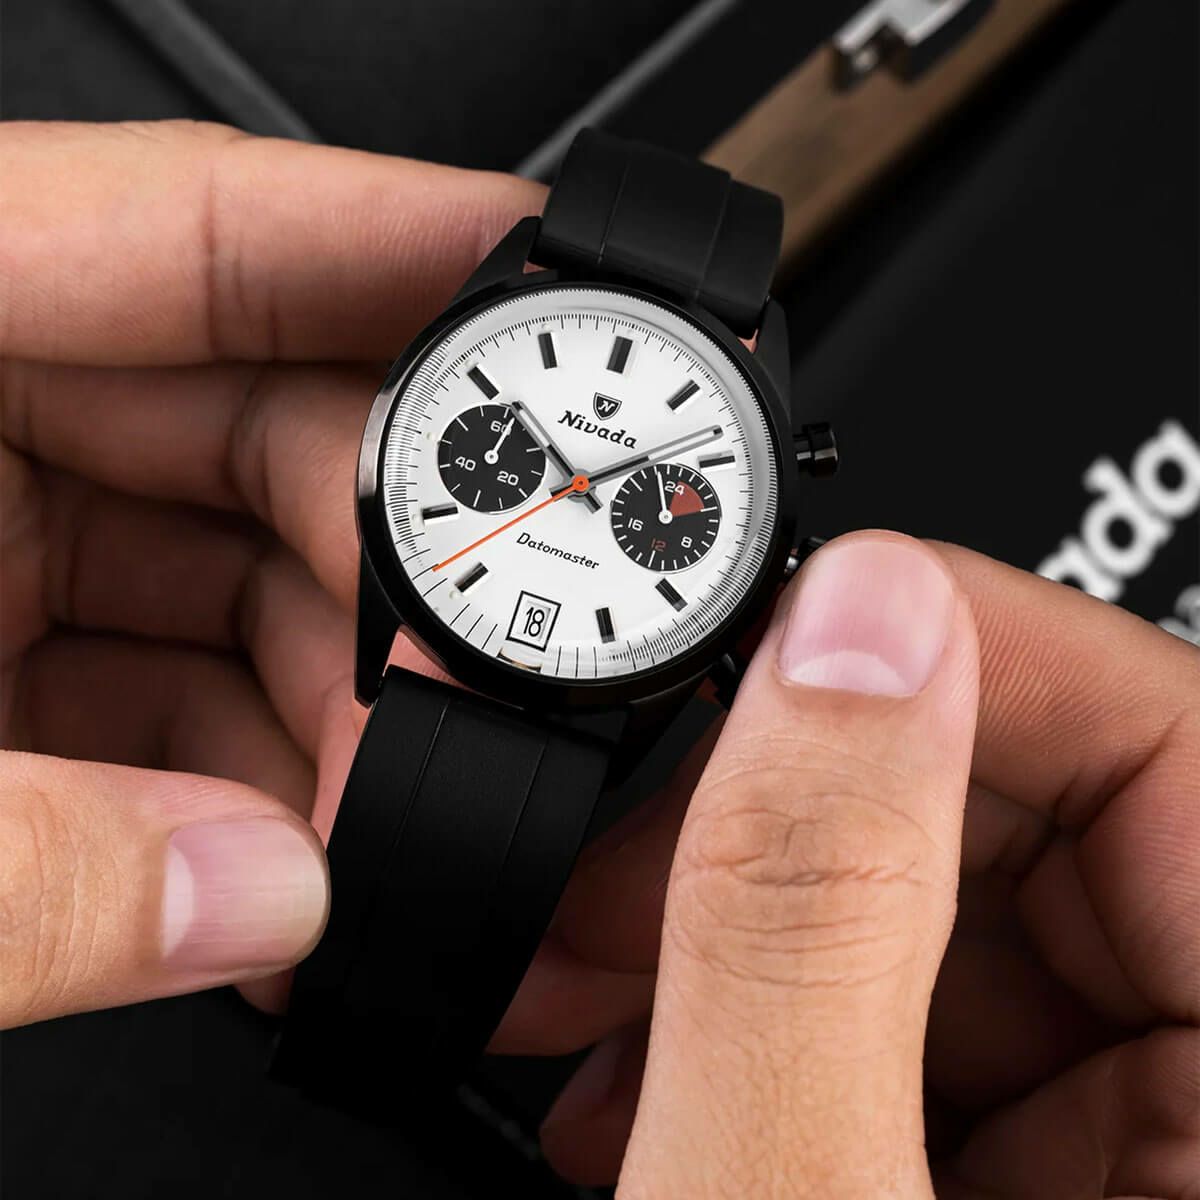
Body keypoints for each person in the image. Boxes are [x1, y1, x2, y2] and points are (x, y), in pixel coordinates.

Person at [1, 120, 1195, 1199]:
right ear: (409, 423)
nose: (578, 489)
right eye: (555, 469)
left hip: (558, 676)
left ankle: (366, 1052)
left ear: (776, 489)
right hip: (502, 639)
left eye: (624, 490)